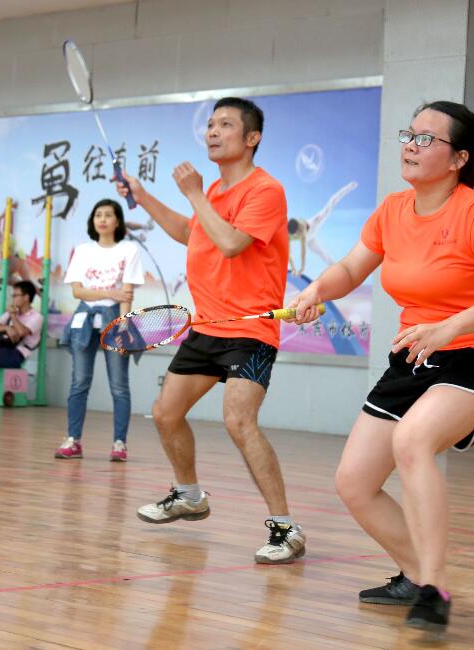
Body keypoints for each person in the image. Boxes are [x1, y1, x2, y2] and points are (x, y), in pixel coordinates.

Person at [289, 101, 474, 633]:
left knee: (413, 441)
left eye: (427, 139)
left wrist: (449, 328)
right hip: (413, 355)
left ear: (458, 158)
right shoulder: (393, 210)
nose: (411, 145)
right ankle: (416, 574)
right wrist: (317, 290)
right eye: (409, 135)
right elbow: (352, 267)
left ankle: (434, 589)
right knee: (354, 482)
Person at [116, 97, 304, 564]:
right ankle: (189, 495)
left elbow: (232, 243)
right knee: (165, 413)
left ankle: (286, 528)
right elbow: (190, 232)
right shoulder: (215, 193)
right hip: (208, 326)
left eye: (225, 125)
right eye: (211, 124)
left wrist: (195, 194)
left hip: (250, 329)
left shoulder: (265, 190)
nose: (213, 132)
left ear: (252, 138)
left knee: (239, 421)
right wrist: (143, 196)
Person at [55, 199, 145, 462]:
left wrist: (124, 327)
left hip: (115, 322)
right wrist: (111, 293)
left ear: (118, 221)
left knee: (119, 386)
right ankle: (73, 440)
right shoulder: (83, 250)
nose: (102, 219)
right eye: (98, 215)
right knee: (79, 383)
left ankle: (120, 444)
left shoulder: (129, 250)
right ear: (92, 221)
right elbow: (77, 291)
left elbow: (126, 294)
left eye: (108, 215)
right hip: (84, 320)